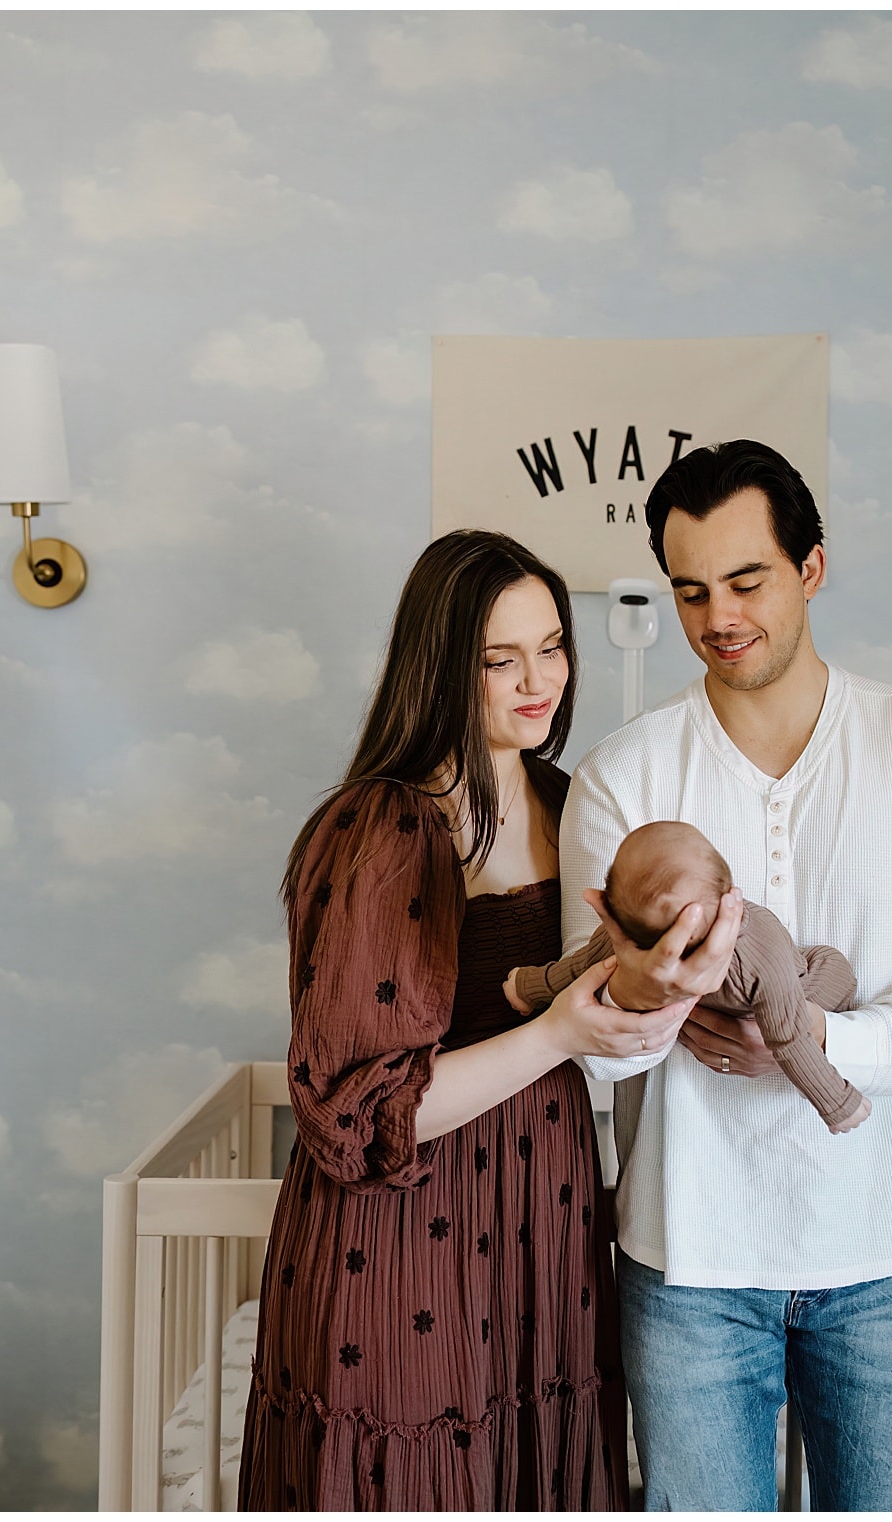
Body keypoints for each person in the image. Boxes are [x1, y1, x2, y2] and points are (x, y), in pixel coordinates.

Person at [558, 441, 892, 1512]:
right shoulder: (625, 776)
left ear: (812, 568)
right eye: (690, 590)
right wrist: (658, 1007)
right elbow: (587, 1028)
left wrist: (826, 1041)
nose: (718, 615)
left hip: (883, 1255)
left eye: (746, 580)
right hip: (689, 1262)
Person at [238, 530, 694, 1512]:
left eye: (552, 646)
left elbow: (598, 988)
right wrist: (560, 1035)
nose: (540, 681)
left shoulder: (576, 804)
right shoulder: (381, 828)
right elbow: (356, 1118)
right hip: (400, 1233)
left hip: (545, 1222)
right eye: (500, 659)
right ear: (441, 666)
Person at [504, 820, 869, 1133]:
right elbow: (790, 1037)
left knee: (590, 966)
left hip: (722, 1008)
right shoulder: (761, 949)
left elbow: (573, 971)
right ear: (730, 895)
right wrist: (839, 1104)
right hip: (788, 988)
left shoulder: (622, 946)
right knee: (834, 967)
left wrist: (525, 986)